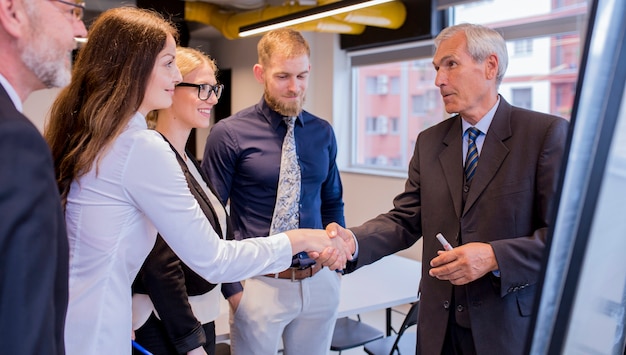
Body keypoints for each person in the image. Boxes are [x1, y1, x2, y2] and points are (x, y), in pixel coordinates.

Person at [43, 8, 349, 355]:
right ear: (135, 66)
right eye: (169, 63)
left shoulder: (102, 136)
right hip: (98, 329)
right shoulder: (141, 146)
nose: (176, 77)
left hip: (79, 320)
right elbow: (212, 258)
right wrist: (298, 239)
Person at [325, 23, 569, 355]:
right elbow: (404, 219)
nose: (439, 79)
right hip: (438, 330)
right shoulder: (430, 142)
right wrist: (352, 241)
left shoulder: (545, 135)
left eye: (450, 64)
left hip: (506, 329)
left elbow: (566, 238)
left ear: (490, 66)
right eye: (437, 68)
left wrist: (494, 256)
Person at [202, 28, 345, 355]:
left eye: (302, 75)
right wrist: (234, 290)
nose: (294, 87)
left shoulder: (323, 132)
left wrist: (336, 263)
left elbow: (332, 200)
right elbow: (211, 217)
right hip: (258, 284)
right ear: (260, 73)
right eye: (282, 76)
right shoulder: (228, 134)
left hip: (319, 280)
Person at [131, 47, 241, 355]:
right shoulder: (155, 158)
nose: (214, 99)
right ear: (170, 86)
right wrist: (191, 342)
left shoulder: (186, 159)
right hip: (165, 323)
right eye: (203, 89)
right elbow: (160, 264)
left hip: (197, 315)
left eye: (214, 89)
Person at [0, 0, 87, 353]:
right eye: (72, 12)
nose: (80, 32)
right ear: (14, 14)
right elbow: (23, 326)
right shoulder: (14, 140)